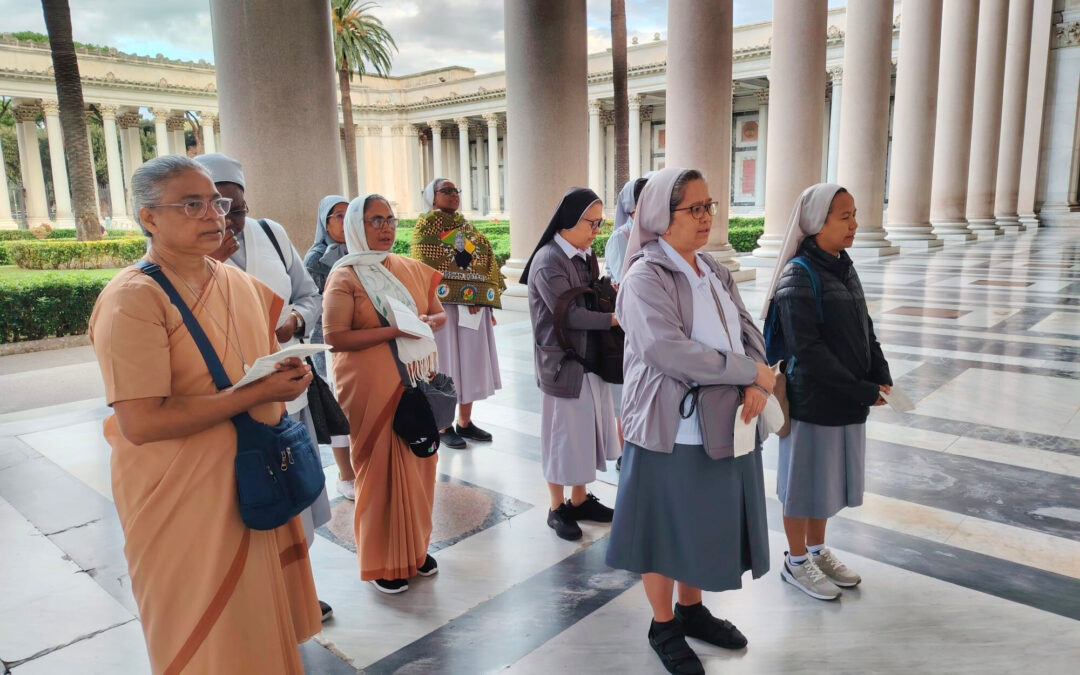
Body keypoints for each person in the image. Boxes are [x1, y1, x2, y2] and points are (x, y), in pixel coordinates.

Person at [89, 155, 321, 674]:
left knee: (257, 621)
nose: (213, 215)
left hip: (249, 477)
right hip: (180, 494)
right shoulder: (133, 298)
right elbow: (141, 422)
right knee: (203, 632)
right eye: (191, 204)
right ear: (149, 217)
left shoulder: (235, 281)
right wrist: (253, 394)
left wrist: (290, 375)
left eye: (214, 202)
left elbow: (271, 342)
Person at [604, 167, 775, 675]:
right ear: (661, 215)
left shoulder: (712, 269)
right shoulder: (644, 276)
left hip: (720, 420)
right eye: (693, 209)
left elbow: (748, 328)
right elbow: (668, 351)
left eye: (709, 207)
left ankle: (692, 610)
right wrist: (749, 372)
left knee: (697, 520)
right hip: (667, 425)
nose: (705, 218)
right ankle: (663, 625)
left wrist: (756, 379)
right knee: (661, 528)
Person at [195, 153, 334, 621]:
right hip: (229, 409)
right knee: (247, 503)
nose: (228, 220)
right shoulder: (186, 258)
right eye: (215, 207)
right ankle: (259, 600)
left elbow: (308, 294)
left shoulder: (271, 235)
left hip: (287, 396)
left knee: (294, 494)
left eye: (237, 208)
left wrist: (294, 321)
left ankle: (298, 593)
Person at [761, 183, 892, 601]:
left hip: (845, 398)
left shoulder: (843, 265)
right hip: (813, 400)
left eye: (854, 214)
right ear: (818, 222)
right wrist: (860, 388)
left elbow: (864, 326)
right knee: (802, 484)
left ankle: (816, 550)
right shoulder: (798, 274)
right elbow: (809, 351)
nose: (855, 224)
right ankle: (796, 561)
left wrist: (880, 371)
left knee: (825, 481)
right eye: (845, 216)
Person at [322, 193, 447, 594]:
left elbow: (438, 313)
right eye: (375, 220)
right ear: (357, 226)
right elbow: (334, 337)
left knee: (418, 466)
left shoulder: (410, 268)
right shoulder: (345, 276)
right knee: (378, 473)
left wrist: (429, 320)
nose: (386, 227)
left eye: (391, 219)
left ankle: (415, 551)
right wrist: (396, 331)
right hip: (369, 389)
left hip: (412, 384)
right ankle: (381, 561)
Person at [521, 187, 621, 542]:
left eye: (600, 223)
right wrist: (614, 318)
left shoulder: (584, 255)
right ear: (569, 222)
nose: (597, 231)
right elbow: (571, 315)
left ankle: (579, 501)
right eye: (592, 224)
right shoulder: (549, 260)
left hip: (588, 359)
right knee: (561, 438)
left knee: (583, 436)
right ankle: (556, 506)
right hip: (562, 363)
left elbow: (592, 295)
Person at [411, 178, 504, 449]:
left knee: (470, 364)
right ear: (432, 196)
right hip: (442, 308)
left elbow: (483, 258)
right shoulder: (425, 228)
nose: (454, 195)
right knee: (446, 364)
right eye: (446, 191)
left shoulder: (466, 227)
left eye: (456, 191)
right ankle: (442, 425)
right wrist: (467, 285)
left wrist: (476, 293)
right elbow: (427, 264)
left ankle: (465, 422)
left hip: (471, 307)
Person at [304, 194, 356, 501]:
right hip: (327, 342)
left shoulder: (358, 249)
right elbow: (315, 306)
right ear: (325, 222)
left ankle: (358, 465)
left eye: (349, 215)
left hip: (355, 340)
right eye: (338, 216)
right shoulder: (316, 258)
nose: (344, 221)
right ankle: (345, 474)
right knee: (338, 410)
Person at [604, 176, 650, 285]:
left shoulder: (654, 232)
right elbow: (624, 281)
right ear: (632, 205)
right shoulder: (620, 237)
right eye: (646, 198)